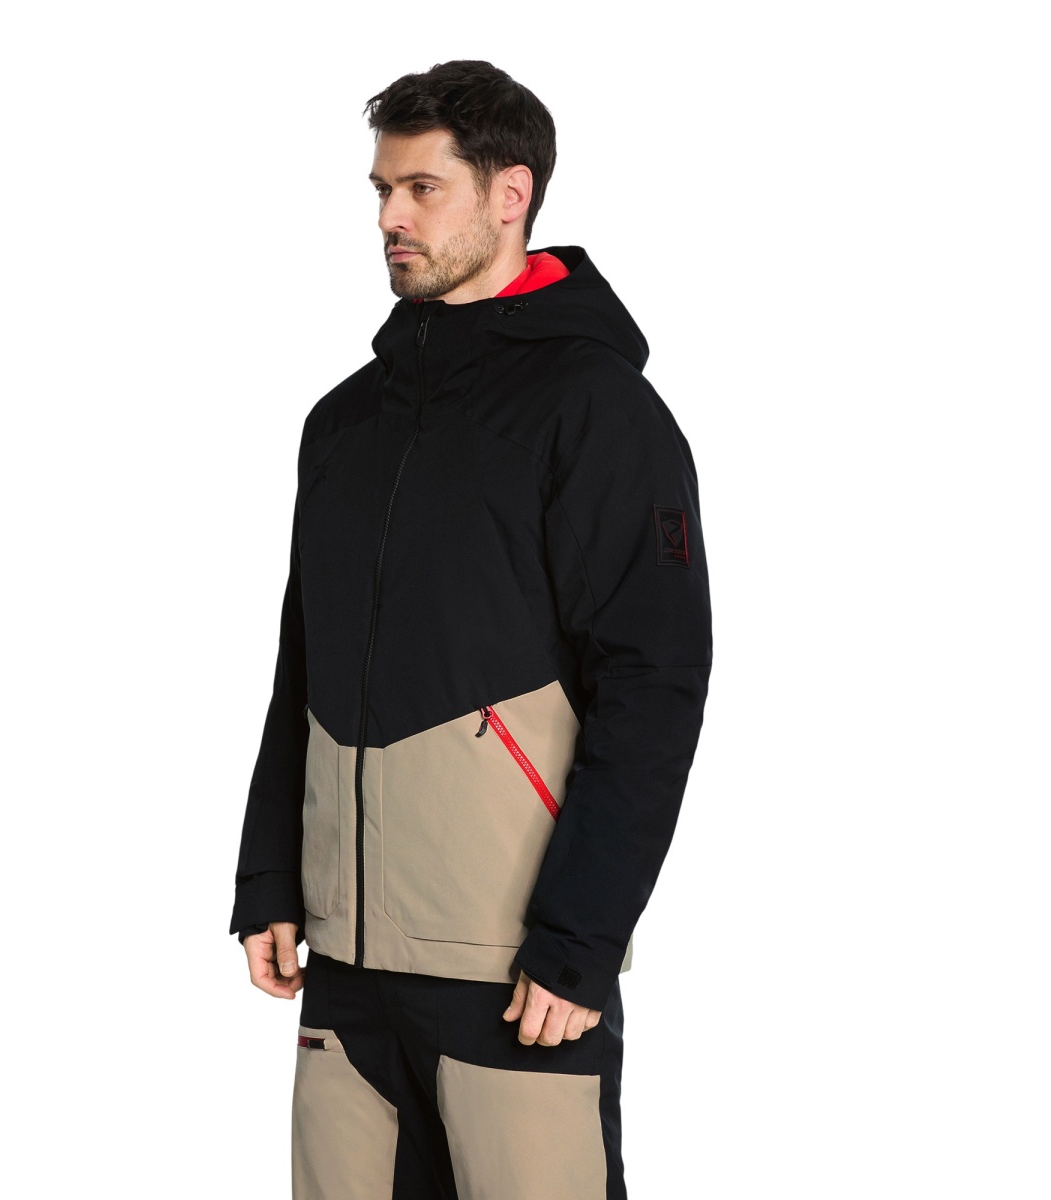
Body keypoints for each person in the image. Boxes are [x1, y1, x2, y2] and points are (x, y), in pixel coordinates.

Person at [228, 59, 712, 1199]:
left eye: (421, 189)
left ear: (510, 195)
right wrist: (270, 875)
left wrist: (580, 940)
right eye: (380, 190)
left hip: (514, 969)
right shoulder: (344, 423)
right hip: (346, 967)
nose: (389, 217)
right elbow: (303, 658)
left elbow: (654, 684)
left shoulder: (596, 411)